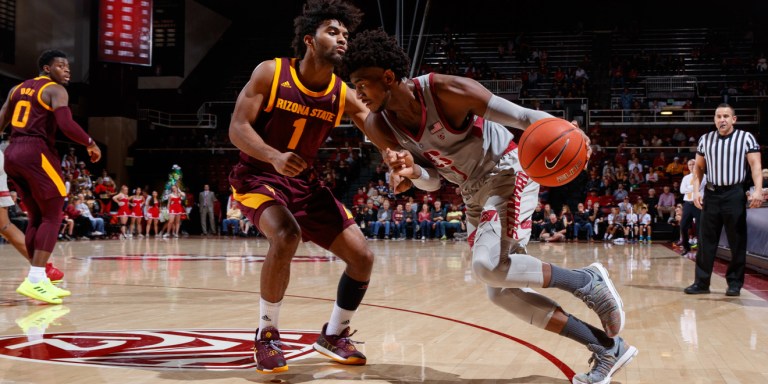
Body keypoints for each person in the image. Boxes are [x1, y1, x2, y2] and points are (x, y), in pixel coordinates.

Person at [344, 28, 635, 383]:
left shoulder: (446, 90)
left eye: (362, 83)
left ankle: (585, 281)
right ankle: (606, 348)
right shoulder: (378, 124)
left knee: (486, 265)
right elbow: (432, 180)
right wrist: (413, 171)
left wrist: (571, 133)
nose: (357, 93)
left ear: (388, 77)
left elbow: (523, 117)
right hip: (469, 191)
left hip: (505, 170)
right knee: (502, 294)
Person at [227, 0, 372, 373]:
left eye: (345, 34)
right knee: (286, 235)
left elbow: (375, 127)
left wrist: (396, 157)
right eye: (332, 31)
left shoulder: (341, 92)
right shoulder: (271, 73)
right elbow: (238, 128)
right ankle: (267, 335)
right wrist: (274, 155)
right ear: (310, 39)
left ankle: (333, 335)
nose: (342, 39)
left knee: (362, 257)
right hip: (258, 176)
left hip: (304, 183)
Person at [0, 49, 101, 304]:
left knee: (36, 216)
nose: (66, 70)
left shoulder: (17, 89)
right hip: (36, 152)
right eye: (60, 66)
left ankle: (41, 279)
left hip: (12, 152)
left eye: (68, 66)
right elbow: (66, 125)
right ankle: (35, 279)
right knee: (54, 214)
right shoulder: (56, 90)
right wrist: (90, 142)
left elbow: (2, 118)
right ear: (47, 68)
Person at [685, 104, 763, 297]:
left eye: (726, 116)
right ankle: (701, 282)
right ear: (714, 119)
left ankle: (734, 283)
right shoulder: (705, 139)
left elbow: (755, 165)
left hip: (734, 194)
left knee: (737, 240)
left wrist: (758, 191)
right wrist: (696, 191)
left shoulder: (746, 138)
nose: (722, 119)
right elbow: (699, 169)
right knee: (705, 240)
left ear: (733, 119)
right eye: (719, 116)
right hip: (712, 194)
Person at [678, 159, 706, 256]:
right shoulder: (686, 178)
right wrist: (692, 187)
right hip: (688, 204)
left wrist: (689, 188)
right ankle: (686, 247)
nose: (691, 166)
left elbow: (698, 187)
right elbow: (681, 190)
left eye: (693, 164)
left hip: (698, 203)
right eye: (689, 164)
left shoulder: (703, 176)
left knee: (699, 227)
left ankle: (701, 249)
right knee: (683, 225)